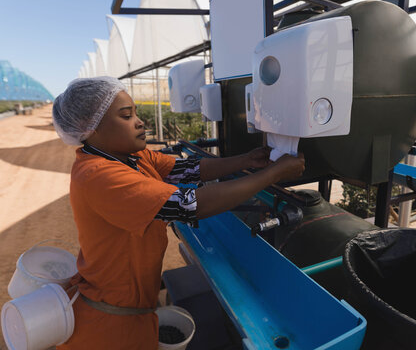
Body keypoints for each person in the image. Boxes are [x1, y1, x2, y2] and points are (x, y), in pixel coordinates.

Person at [52, 77, 305, 349]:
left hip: (132, 305)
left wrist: (245, 160)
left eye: (136, 113)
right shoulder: (98, 175)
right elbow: (190, 204)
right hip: (111, 322)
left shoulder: (131, 157)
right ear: (91, 129)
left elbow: (189, 169)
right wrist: (273, 174)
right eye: (126, 116)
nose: (139, 122)